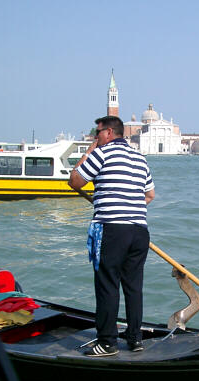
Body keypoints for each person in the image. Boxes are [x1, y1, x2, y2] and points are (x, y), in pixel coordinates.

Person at [69, 116, 155, 357]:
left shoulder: (102, 153)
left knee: (107, 284)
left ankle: (107, 342)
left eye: (97, 134)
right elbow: (150, 195)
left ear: (108, 133)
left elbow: (75, 181)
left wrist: (88, 152)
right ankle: (135, 339)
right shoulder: (140, 158)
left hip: (112, 229)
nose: (95, 138)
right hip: (139, 231)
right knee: (133, 287)